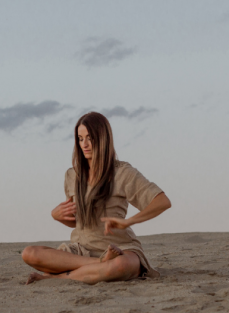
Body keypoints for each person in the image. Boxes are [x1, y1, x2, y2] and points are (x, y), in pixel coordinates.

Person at [22, 111, 171, 284]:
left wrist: (129, 221)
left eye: (90, 138)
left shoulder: (122, 173)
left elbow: (162, 201)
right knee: (29, 253)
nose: (84, 144)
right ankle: (99, 263)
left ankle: (56, 277)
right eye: (80, 138)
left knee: (120, 265)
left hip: (120, 249)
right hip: (81, 251)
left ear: (103, 139)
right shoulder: (72, 176)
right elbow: (79, 222)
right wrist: (58, 216)